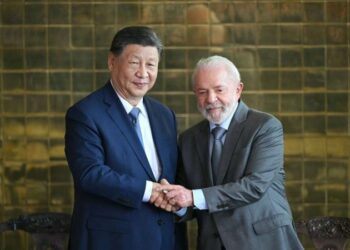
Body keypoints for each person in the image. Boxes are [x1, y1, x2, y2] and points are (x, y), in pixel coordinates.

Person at [158, 55, 304, 250]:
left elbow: (254, 186)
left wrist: (192, 197)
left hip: (263, 242)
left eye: (219, 90)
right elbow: (189, 195)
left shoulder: (265, 127)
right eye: (202, 92)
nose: (210, 99)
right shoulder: (188, 139)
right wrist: (177, 203)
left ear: (238, 90)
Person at [65, 26, 183, 250]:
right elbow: (90, 174)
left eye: (151, 64)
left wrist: (178, 197)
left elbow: (172, 173)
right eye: (134, 63)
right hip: (111, 241)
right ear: (112, 62)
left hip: (163, 239)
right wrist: (151, 191)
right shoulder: (85, 113)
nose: (143, 73)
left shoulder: (164, 115)